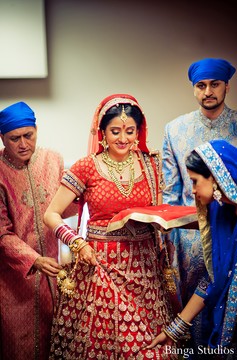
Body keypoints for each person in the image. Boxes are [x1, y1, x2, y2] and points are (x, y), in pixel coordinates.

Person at [43, 93, 178, 359]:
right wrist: (76, 242)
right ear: (102, 131)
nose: (123, 138)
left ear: (138, 131)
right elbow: (52, 214)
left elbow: (159, 213)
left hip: (145, 271)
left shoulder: (151, 164)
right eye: (115, 131)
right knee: (111, 347)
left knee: (152, 348)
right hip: (101, 266)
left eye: (130, 131)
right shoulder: (86, 167)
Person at [162, 58, 237, 350]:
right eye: (201, 85)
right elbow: (170, 194)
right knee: (193, 309)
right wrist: (168, 243)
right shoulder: (175, 130)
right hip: (189, 241)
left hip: (233, 233)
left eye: (215, 84)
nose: (208, 91)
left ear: (227, 86)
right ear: (194, 89)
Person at [146, 139, 237, 359]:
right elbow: (212, 279)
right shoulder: (222, 213)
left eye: (196, 181)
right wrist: (174, 330)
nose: (194, 190)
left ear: (217, 178)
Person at [0, 101, 76, 360]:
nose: (23, 144)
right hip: (13, 278)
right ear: (2, 138)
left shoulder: (53, 160)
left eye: (28, 135)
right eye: (14, 138)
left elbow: (64, 208)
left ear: (36, 130)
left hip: (54, 271)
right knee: (18, 341)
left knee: (56, 337)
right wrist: (34, 260)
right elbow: (1, 232)